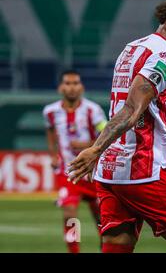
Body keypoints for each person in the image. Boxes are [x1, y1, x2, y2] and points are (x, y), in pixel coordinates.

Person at [67, 0, 166, 253]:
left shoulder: (133, 48)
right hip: (142, 169)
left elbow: (135, 113)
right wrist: (95, 147)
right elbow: (131, 109)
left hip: (110, 170)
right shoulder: (165, 57)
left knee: (117, 245)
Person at [43, 70, 107, 253]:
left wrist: (86, 144)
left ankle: (107, 248)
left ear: (82, 87)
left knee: (102, 220)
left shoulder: (92, 110)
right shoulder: (50, 112)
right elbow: (49, 131)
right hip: (68, 173)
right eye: (68, 83)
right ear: (60, 87)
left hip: (91, 173)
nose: (72, 87)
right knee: (70, 214)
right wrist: (53, 154)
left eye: (75, 83)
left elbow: (106, 134)